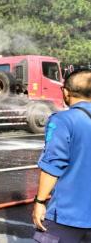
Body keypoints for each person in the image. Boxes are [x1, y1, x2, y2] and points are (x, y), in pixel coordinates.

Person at [32, 70, 91, 242]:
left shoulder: (63, 120)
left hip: (68, 215)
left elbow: (53, 165)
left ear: (65, 92)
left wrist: (40, 202)